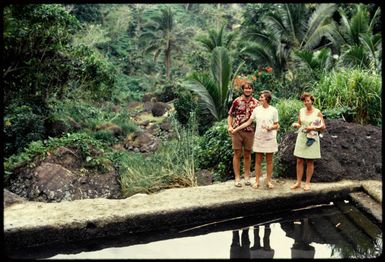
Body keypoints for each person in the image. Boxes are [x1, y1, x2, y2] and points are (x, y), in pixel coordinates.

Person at [232, 90, 279, 189]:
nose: (260, 98)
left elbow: (277, 125)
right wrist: (236, 129)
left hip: (270, 138)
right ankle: (257, 181)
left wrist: (270, 128)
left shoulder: (273, 110)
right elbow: (248, 122)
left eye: (261, 97)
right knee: (258, 160)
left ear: (267, 99)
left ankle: (268, 181)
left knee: (269, 161)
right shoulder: (256, 110)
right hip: (259, 138)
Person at [291, 92, 326, 191]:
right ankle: (298, 182)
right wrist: (296, 125)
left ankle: (307, 183)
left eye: (308, 100)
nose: (306, 103)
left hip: (312, 137)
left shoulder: (317, 112)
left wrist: (313, 127)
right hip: (301, 136)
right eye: (304, 101)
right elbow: (299, 123)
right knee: (299, 160)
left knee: (310, 161)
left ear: (312, 101)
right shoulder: (301, 111)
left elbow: (323, 127)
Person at [228, 81, 259, 187]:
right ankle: (237, 178)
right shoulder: (237, 101)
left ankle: (247, 177)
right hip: (237, 131)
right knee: (237, 154)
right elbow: (230, 115)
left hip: (250, 132)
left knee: (247, 154)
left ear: (252, 90)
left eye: (249, 88)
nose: (248, 90)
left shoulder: (256, 103)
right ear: (243, 89)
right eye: (246, 88)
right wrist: (230, 126)